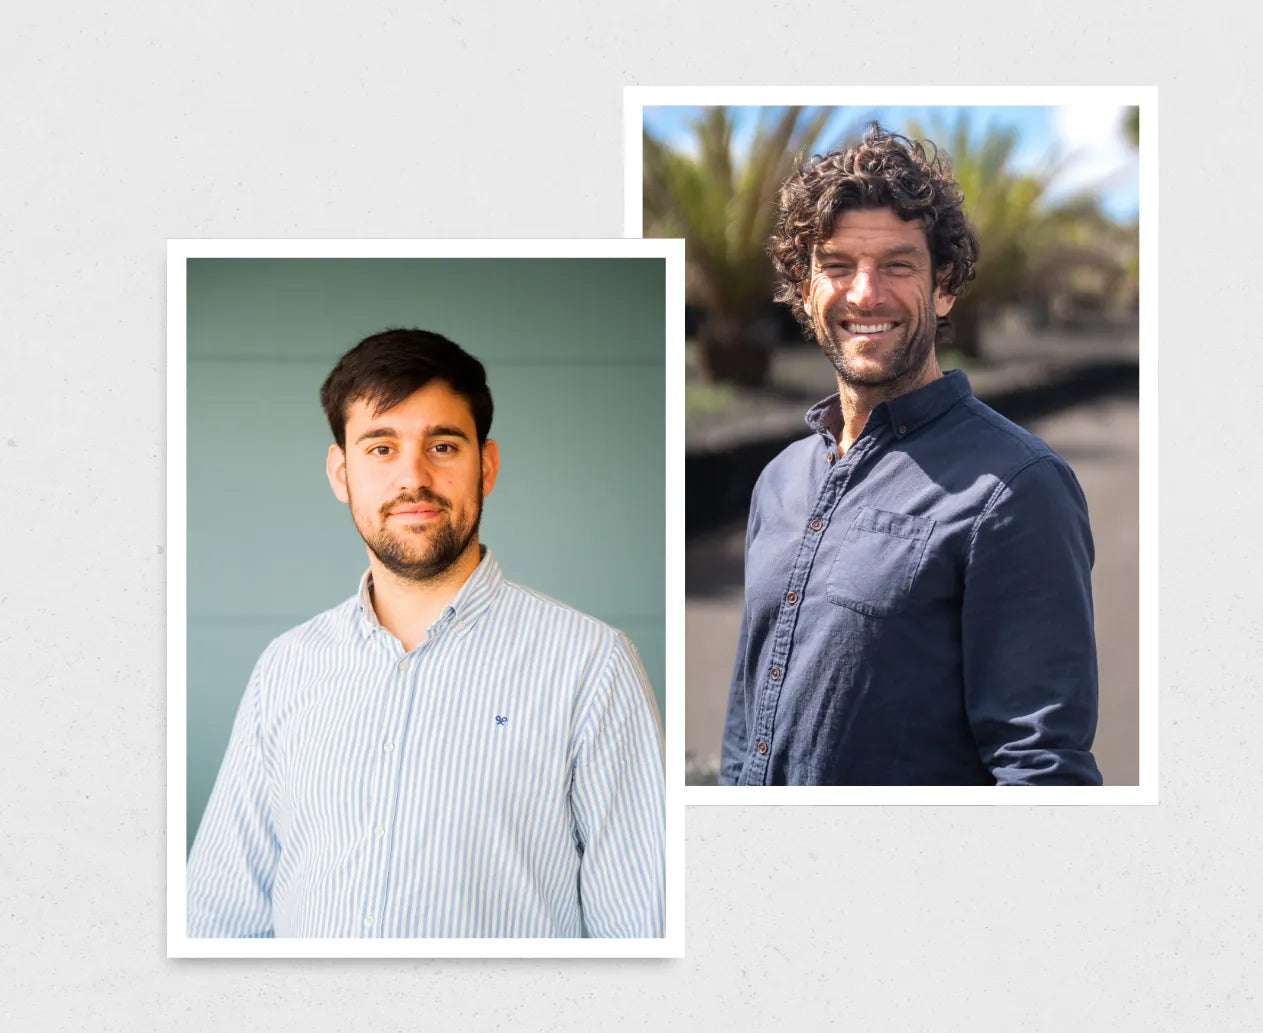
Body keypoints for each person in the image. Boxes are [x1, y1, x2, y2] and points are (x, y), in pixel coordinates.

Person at [187, 329, 665, 936]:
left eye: (441, 446)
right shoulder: (286, 669)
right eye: (380, 448)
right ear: (341, 473)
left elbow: (640, 932)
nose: (413, 478)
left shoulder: (591, 666)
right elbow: (219, 919)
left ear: (485, 466)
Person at [720, 125, 1102, 786]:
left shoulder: (1015, 488)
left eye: (896, 265)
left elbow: (1041, 770)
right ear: (803, 290)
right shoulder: (778, 480)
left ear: (944, 285)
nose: (865, 293)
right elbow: (744, 726)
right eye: (837, 265)